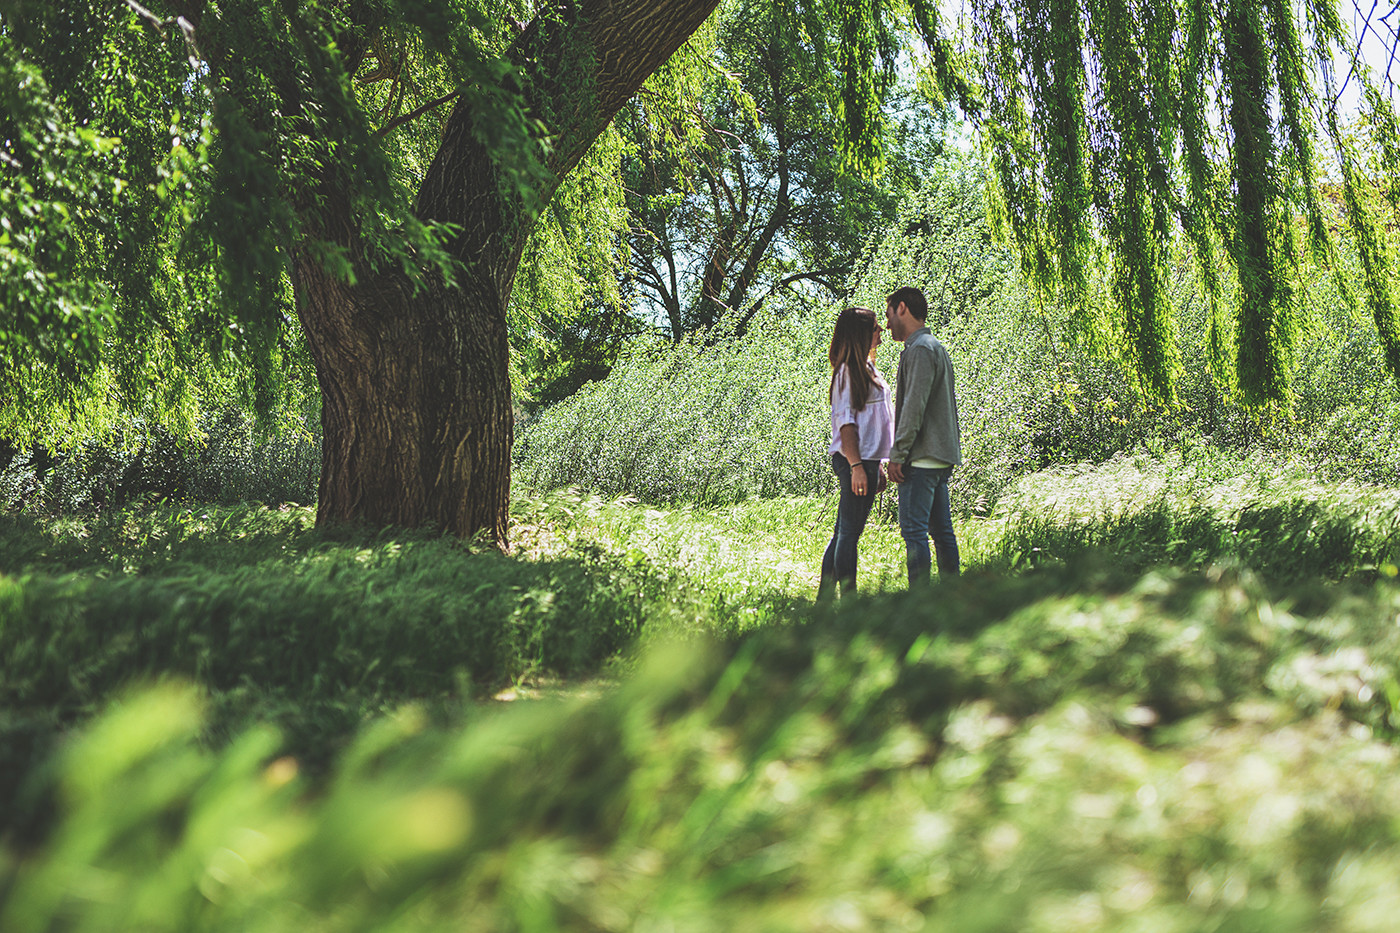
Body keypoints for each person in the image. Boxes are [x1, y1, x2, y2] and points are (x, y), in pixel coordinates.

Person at [884, 286, 961, 585]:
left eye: (889, 314)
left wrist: (897, 455)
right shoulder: (933, 346)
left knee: (914, 532)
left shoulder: (919, 349)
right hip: (940, 456)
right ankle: (951, 596)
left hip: (922, 458)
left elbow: (913, 407)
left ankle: (920, 602)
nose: (887, 323)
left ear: (902, 308)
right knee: (942, 534)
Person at [819, 306, 894, 597]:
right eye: (876, 327)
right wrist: (857, 467)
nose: (881, 331)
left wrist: (879, 466)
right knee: (849, 534)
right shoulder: (847, 373)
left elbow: (875, 422)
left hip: (868, 460)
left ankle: (823, 603)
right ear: (861, 333)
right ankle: (849, 602)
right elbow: (846, 426)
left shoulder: (867, 367)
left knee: (844, 532)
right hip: (854, 459)